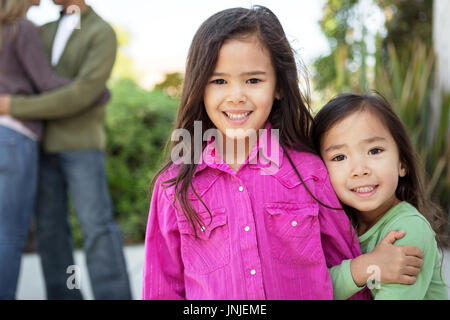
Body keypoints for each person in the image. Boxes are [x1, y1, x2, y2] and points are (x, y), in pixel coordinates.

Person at [142, 6, 425, 300]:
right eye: (219, 81)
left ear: (278, 86)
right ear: (199, 87)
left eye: (253, 80)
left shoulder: (310, 173)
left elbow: (348, 276)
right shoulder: (174, 187)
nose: (237, 95)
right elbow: (162, 289)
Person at [0, 0, 131, 300]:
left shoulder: (101, 33)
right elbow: (43, 85)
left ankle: (113, 296)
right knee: (51, 233)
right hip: (41, 146)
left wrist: (13, 105)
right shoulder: (40, 30)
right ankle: (66, 295)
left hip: (81, 145)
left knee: (96, 228)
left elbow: (82, 94)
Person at [312, 92, 448, 299]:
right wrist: (364, 267)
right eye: (339, 157)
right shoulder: (337, 226)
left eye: (374, 151)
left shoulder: (407, 230)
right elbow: (309, 288)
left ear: (402, 163)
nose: (360, 169)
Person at [0, 0, 73, 300]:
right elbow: (47, 82)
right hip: (15, 138)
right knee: (9, 233)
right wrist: (94, 89)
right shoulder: (21, 29)